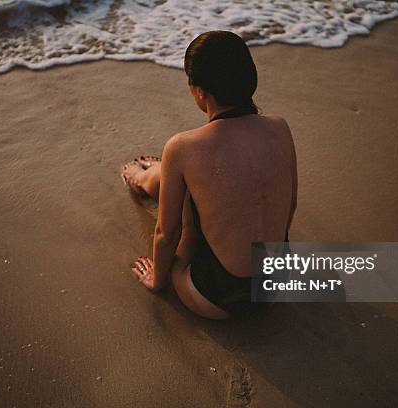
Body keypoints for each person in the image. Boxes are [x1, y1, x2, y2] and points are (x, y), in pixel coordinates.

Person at [121, 31, 297, 319]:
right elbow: (290, 205)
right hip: (278, 283)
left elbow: (167, 233)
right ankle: (155, 175)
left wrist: (158, 280)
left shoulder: (183, 146)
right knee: (204, 177)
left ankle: (146, 177)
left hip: (219, 295)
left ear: (200, 91)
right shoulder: (280, 127)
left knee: (187, 182)